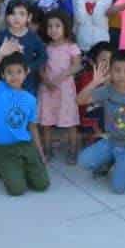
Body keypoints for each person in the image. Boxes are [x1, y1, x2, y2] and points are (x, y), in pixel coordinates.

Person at [76, 48, 125, 193]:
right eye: (117, 70)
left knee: (119, 188)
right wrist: (94, 83)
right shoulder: (107, 90)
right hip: (111, 141)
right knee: (83, 161)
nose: (121, 75)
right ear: (110, 72)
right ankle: (113, 161)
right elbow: (80, 100)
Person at [0, 47, 48, 196]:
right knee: (17, 190)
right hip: (3, 146)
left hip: (24, 144)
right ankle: (2, 166)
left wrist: (40, 153)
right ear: (3, 75)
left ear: (26, 73)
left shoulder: (30, 99)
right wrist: (0, 54)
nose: (14, 76)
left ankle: (17, 166)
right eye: (9, 72)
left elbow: (33, 128)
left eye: (19, 72)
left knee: (42, 185)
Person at [37, 9, 81, 163]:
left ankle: (73, 150)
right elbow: (40, 68)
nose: (53, 30)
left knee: (69, 121)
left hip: (65, 90)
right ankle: (47, 150)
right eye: (50, 26)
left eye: (57, 26)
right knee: (46, 121)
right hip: (47, 89)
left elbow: (77, 65)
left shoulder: (71, 46)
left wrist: (60, 77)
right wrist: (46, 81)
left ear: (65, 27)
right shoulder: (45, 47)